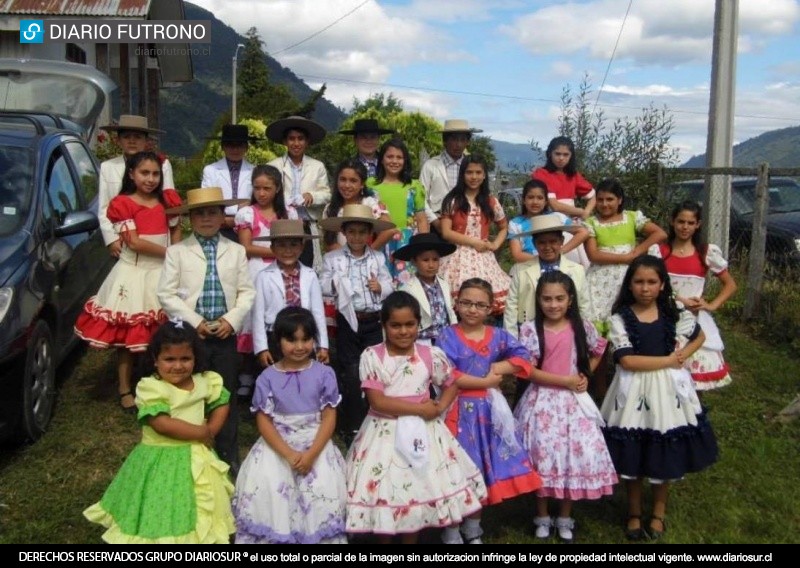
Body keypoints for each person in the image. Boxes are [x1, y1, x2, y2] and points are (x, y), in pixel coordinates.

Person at [345, 291, 487, 543]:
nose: (403, 331)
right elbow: (378, 401)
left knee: (416, 487)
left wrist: (440, 405)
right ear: (384, 325)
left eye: (409, 324)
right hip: (384, 432)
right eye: (395, 325)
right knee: (386, 486)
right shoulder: (373, 356)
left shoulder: (429, 354)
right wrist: (422, 409)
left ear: (418, 324)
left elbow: (451, 381)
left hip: (423, 433)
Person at [83, 320, 235, 544]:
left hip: (197, 457)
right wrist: (199, 432)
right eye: (169, 359)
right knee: (162, 501)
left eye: (185, 359)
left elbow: (222, 401)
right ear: (155, 360)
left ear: (195, 358)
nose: (178, 366)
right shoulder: (151, 387)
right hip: (160, 458)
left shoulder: (204, 381)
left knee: (196, 500)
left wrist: (211, 430)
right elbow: (161, 423)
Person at [600, 255, 718, 541]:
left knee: (664, 447)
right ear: (629, 285)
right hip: (633, 393)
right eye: (638, 282)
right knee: (633, 452)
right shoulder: (620, 318)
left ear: (662, 284)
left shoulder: (673, 312)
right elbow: (627, 361)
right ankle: (634, 512)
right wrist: (668, 360)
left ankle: (658, 513)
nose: (645, 288)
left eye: (652, 281)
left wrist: (682, 356)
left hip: (667, 394)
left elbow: (699, 336)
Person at [513, 271, 618, 543]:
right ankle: (542, 515)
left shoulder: (582, 327)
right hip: (542, 402)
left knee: (572, 455)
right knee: (543, 455)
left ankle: (565, 515)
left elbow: (598, 350)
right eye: (546, 299)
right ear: (538, 300)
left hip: (574, 404)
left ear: (570, 299)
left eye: (560, 298)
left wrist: (586, 375)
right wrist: (566, 380)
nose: (553, 304)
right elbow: (528, 371)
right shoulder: (530, 330)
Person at [158, 187, 256, 473]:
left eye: (212, 212)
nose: (206, 219)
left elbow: (246, 292)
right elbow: (167, 294)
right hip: (191, 336)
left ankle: (227, 452)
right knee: (189, 391)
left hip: (224, 333)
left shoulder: (236, 250)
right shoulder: (177, 252)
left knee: (225, 392)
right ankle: (192, 451)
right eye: (199, 213)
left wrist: (231, 320)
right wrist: (195, 322)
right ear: (190, 218)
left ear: (222, 216)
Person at [75, 151, 182, 413]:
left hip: (162, 272)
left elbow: (176, 228)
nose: (150, 179)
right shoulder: (123, 203)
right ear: (131, 174)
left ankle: (161, 383)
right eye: (144, 173)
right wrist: (173, 254)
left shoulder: (167, 200)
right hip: (135, 273)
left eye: (155, 174)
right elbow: (133, 242)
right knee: (129, 337)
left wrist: (177, 258)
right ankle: (125, 388)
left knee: (164, 334)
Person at [438, 278, 542, 544]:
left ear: (490, 308)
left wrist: (500, 368)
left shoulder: (498, 336)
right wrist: (484, 382)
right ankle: (451, 529)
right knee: (454, 468)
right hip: (455, 410)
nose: (472, 309)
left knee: (481, 467)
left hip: (488, 414)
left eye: (479, 305)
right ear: (457, 304)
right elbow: (448, 374)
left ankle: (473, 527)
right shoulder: (447, 335)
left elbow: (524, 355)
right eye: (466, 303)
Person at [232, 307, 347, 544]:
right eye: (291, 340)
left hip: (316, 445)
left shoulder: (325, 374)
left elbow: (329, 416)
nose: (299, 346)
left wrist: (311, 454)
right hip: (278, 448)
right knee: (273, 495)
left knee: (319, 496)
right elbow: (263, 420)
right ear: (278, 341)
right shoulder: (267, 377)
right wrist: (289, 454)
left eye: (306, 339)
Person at [319, 205, 395, 446]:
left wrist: (381, 288)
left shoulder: (377, 257)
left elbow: (389, 283)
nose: (357, 237)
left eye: (362, 232)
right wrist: (335, 282)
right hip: (347, 321)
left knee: (373, 369)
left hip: (372, 320)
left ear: (370, 234)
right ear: (344, 232)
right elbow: (321, 285)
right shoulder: (333, 258)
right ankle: (352, 422)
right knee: (350, 372)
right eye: (352, 232)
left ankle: (374, 418)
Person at [648, 201, 737, 391]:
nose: (685, 227)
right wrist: (679, 300)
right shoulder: (660, 252)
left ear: (698, 225)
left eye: (690, 223)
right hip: (663, 313)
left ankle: (695, 415)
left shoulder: (705, 253)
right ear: (672, 222)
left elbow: (730, 284)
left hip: (693, 320)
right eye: (681, 222)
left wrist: (711, 305)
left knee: (694, 377)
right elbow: (653, 283)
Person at [233, 165, 298, 397]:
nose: (261, 193)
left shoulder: (287, 214)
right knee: (253, 318)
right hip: (256, 271)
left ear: (277, 188)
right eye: (257, 188)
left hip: (284, 270)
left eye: (267, 188)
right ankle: (247, 374)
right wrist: (278, 253)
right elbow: (246, 247)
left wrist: (284, 257)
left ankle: (283, 366)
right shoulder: (247, 213)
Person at [584, 178, 667, 335]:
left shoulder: (631, 217)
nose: (604, 204)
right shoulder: (591, 223)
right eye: (600, 200)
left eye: (610, 199)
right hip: (601, 280)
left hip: (628, 277)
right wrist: (625, 258)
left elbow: (660, 234)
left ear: (620, 199)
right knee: (600, 320)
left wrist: (636, 252)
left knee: (627, 319)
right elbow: (594, 255)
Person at [251, 220, 329, 369]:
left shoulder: (310, 275)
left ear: (302, 247)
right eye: (281, 245)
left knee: (304, 375)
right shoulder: (263, 276)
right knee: (277, 376)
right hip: (274, 336)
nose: (288, 250)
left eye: (293, 245)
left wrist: (322, 345)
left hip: (304, 336)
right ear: (272, 248)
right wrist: (262, 348)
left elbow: (318, 313)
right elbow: (257, 315)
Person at [439, 155, 510, 316]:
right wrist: (473, 241)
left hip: (483, 257)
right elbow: (446, 232)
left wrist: (495, 245)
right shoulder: (453, 201)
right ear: (462, 174)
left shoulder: (491, 202)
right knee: (456, 304)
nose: (474, 177)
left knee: (482, 302)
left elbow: (504, 227)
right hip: (456, 257)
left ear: (484, 175)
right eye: (469, 172)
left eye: (478, 172)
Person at [97, 115, 175, 258]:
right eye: (127, 137)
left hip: (156, 237)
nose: (132, 141)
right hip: (122, 237)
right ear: (118, 140)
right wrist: (111, 239)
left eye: (138, 137)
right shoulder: (108, 167)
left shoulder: (162, 165)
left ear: (146, 141)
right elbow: (104, 207)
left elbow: (170, 202)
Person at [505, 214, 590, 336]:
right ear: (534, 243)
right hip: (530, 334)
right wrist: (512, 341)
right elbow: (511, 307)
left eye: (553, 242)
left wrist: (583, 335)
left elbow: (584, 305)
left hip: (567, 334)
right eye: (542, 243)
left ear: (561, 241)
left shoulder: (577, 270)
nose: (547, 247)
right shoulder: (521, 270)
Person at [266, 115, 331, 273]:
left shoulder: (317, 166)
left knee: (307, 267)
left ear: (307, 141)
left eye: (300, 139)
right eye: (291, 139)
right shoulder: (273, 166)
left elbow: (327, 194)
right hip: (282, 224)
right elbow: (267, 194)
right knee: (283, 266)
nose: (296, 143)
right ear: (285, 141)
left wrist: (312, 196)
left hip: (307, 225)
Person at [367, 138, 430, 284]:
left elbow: (421, 219)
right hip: (380, 241)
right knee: (381, 283)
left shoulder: (414, 186)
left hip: (408, 243)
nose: (394, 161)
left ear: (405, 160)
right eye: (390, 156)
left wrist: (424, 245)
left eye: (399, 157)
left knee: (407, 285)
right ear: (381, 159)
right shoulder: (371, 185)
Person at [532, 137, 595, 268]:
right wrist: (581, 211)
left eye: (566, 154)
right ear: (550, 154)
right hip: (551, 222)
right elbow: (554, 205)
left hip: (570, 223)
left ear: (571, 156)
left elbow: (594, 196)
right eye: (558, 154)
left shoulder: (573, 175)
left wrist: (587, 211)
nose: (561, 158)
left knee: (575, 263)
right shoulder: (542, 173)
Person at [507, 179, 589, 274]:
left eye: (540, 198)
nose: (535, 202)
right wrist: (543, 259)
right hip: (528, 268)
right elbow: (517, 255)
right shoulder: (515, 223)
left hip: (556, 267)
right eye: (530, 197)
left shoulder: (556, 217)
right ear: (524, 200)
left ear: (546, 201)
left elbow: (583, 232)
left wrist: (561, 252)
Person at [395, 233, 458, 347]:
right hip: (422, 342)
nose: (431, 265)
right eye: (425, 260)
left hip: (446, 340)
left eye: (435, 260)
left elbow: (449, 311)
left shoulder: (444, 284)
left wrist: (455, 333)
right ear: (414, 262)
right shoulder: (408, 289)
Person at [202, 124, 260, 242]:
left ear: (246, 147)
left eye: (239, 145)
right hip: (219, 225)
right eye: (230, 145)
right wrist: (221, 219)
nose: (235, 150)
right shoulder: (211, 170)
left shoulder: (255, 171)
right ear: (223, 147)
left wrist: (236, 220)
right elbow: (206, 200)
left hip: (247, 225)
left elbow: (258, 200)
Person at [321, 158, 394, 251]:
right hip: (340, 262)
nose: (347, 185)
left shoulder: (369, 203)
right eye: (343, 180)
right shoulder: (330, 208)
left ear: (362, 184)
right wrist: (347, 258)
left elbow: (389, 230)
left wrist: (368, 253)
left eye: (353, 181)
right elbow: (328, 242)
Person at [419, 119, 483, 224]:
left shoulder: (471, 167)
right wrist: (435, 222)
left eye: (462, 140)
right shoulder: (431, 166)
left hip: (466, 221)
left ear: (467, 142)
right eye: (454, 139)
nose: (458, 144)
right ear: (445, 141)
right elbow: (421, 199)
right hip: (437, 221)